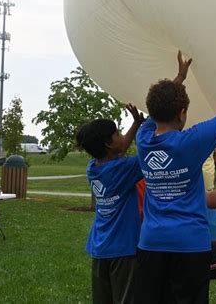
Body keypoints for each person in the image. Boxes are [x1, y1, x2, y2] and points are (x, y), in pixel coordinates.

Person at [135, 48, 216, 303]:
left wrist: (179, 78)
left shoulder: (143, 140)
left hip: (150, 244)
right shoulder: (191, 142)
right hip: (190, 245)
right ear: (182, 113)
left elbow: (155, 111)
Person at [76, 104, 144, 304]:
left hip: (101, 246)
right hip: (123, 248)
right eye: (117, 133)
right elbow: (149, 152)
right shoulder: (124, 169)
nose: (121, 136)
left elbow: (119, 148)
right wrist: (145, 126)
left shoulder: (93, 168)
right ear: (107, 143)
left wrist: (136, 124)